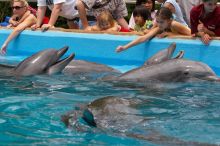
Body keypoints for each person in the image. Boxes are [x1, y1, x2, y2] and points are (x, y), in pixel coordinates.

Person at [115, 7, 191, 52]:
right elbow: (144, 38)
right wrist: (125, 47)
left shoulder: (174, 24)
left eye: (161, 22)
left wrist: (171, 34)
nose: (159, 24)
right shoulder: (160, 27)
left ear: (169, 20)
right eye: (157, 21)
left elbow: (194, 35)